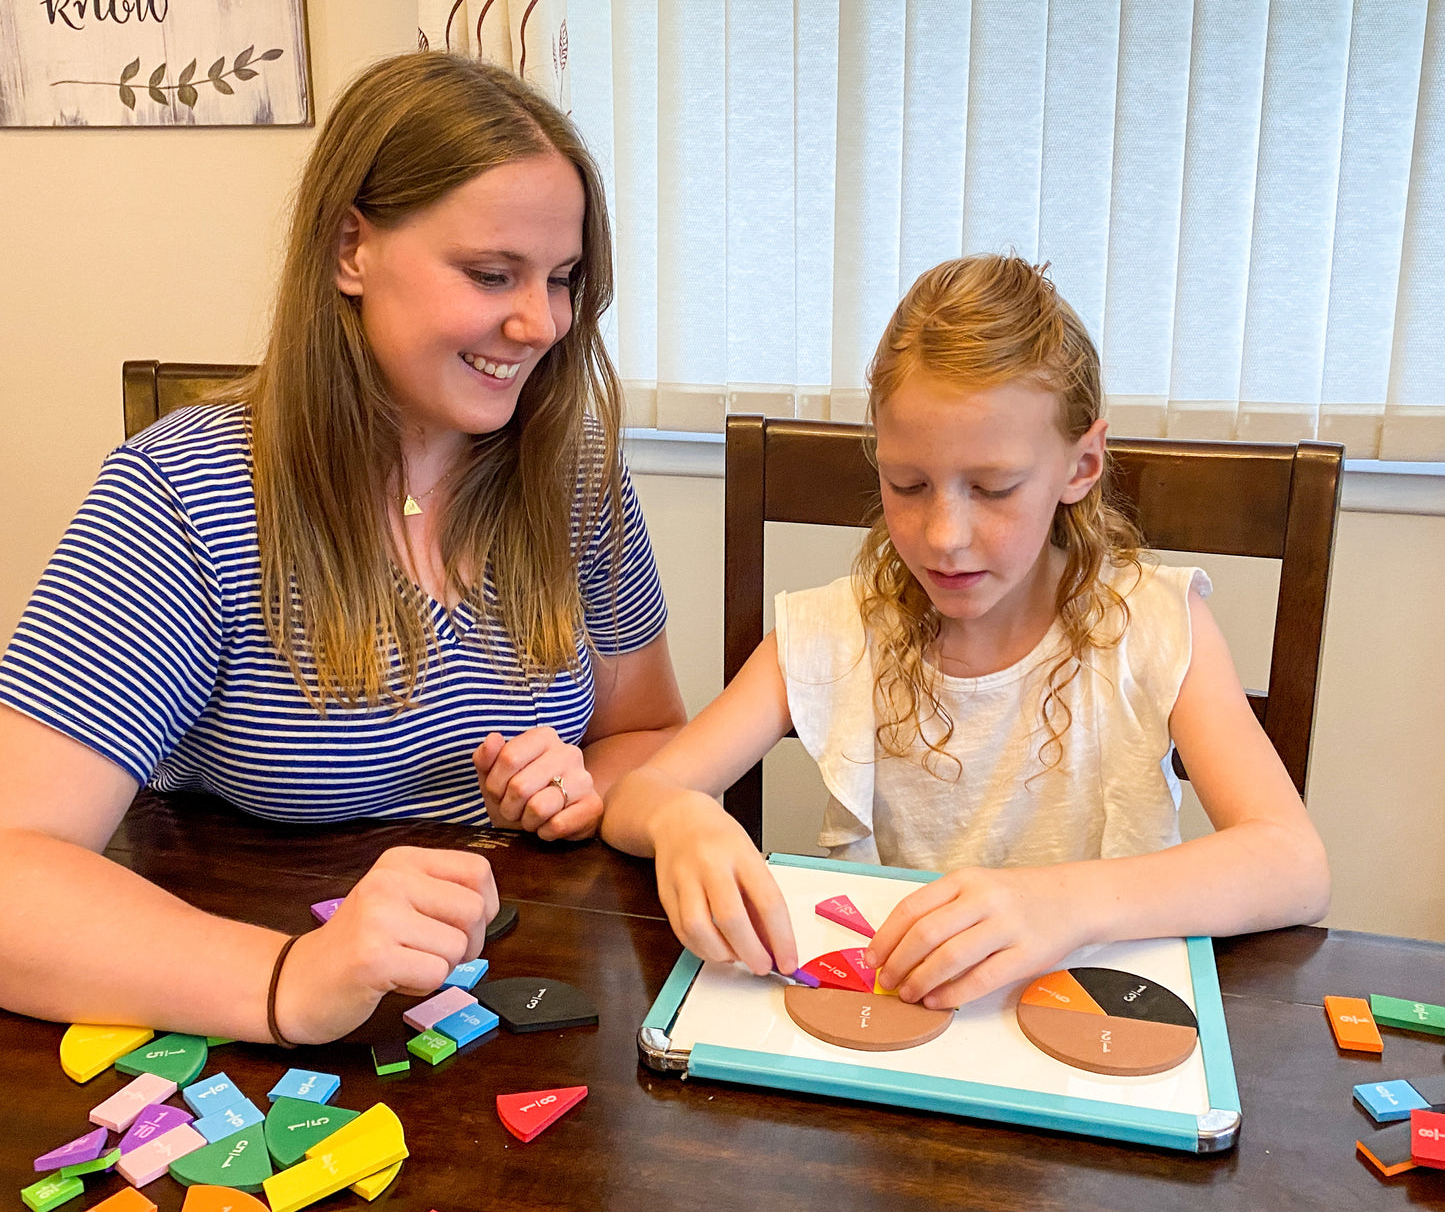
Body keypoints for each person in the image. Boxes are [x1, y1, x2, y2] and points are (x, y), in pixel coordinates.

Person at [0, 52, 686, 1044]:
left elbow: (647, 735)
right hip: (252, 1012)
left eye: (563, 279)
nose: (540, 323)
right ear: (349, 249)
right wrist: (295, 978)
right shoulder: (181, 496)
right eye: (491, 274)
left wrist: (580, 790)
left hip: (525, 1008)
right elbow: (15, 867)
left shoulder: (573, 474)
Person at [602, 254, 1329, 1011]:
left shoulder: (1154, 624)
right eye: (907, 485)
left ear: (1082, 464)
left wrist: (1063, 902)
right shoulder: (834, 631)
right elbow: (637, 795)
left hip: (1096, 1022)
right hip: (898, 1026)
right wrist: (681, 817)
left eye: (992, 488)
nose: (944, 535)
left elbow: (1294, 864)